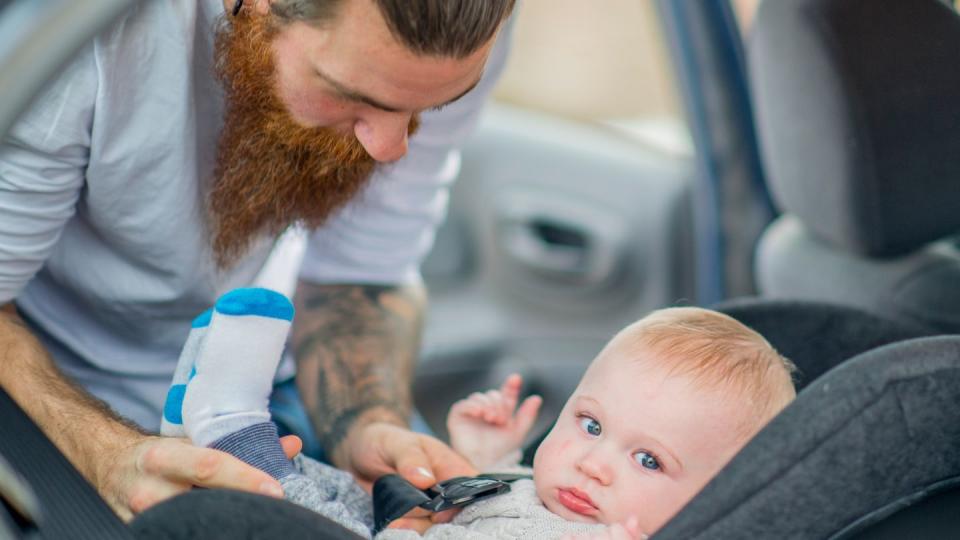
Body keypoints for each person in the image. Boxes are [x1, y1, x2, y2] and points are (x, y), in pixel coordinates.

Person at [0, 0, 514, 525]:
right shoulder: (80, 35)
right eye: (351, 97)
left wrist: (365, 424)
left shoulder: (451, 33)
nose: (390, 148)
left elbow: (359, 277)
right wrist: (105, 453)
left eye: (434, 107)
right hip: (50, 390)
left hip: (267, 396)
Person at [170, 288, 797, 539]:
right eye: (591, 424)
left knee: (298, 511)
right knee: (327, 480)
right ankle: (223, 436)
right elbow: (494, 508)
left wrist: (410, 528)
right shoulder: (556, 494)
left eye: (648, 459)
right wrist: (483, 458)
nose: (593, 464)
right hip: (413, 518)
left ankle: (228, 429)